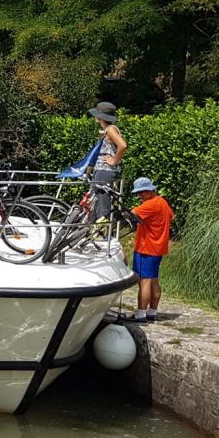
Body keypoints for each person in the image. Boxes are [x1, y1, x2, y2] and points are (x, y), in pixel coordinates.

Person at [128, 177, 173, 322]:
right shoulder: (162, 202)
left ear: (150, 190)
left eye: (141, 192)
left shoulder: (150, 204)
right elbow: (172, 217)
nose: (139, 196)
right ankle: (152, 312)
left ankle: (141, 314)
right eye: (138, 193)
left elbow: (131, 213)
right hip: (158, 247)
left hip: (146, 247)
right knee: (153, 280)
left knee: (144, 281)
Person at [88, 101, 126, 220]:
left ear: (100, 117)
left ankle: (101, 234)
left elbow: (123, 145)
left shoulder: (110, 129)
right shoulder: (107, 130)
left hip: (105, 171)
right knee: (97, 201)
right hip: (102, 171)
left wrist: (114, 160)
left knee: (102, 203)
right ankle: (94, 231)